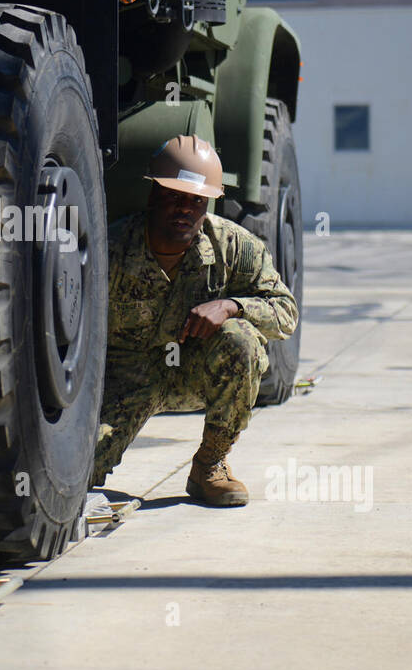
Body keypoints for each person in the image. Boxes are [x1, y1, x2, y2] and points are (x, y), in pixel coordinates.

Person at [92, 134, 298, 506]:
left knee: (242, 341)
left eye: (195, 200)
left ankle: (210, 465)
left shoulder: (233, 247)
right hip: (124, 380)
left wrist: (232, 306)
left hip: (192, 372)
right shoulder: (111, 250)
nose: (184, 209)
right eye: (174, 196)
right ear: (153, 195)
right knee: (75, 475)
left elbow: (285, 312)